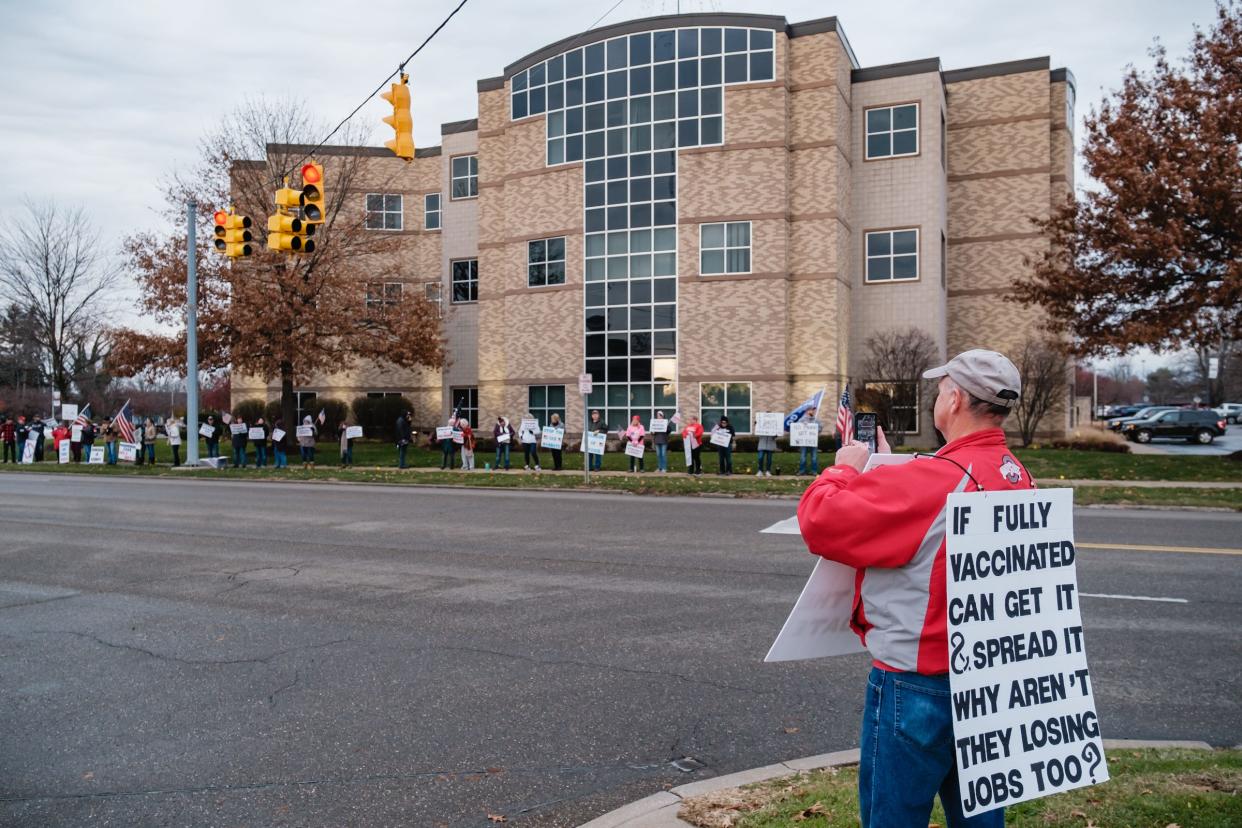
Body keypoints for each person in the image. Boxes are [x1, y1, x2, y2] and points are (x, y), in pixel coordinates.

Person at [797, 350, 1031, 828]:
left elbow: (820, 521)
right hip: (988, 681)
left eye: (942, 389)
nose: (938, 398)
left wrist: (844, 468)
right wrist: (884, 466)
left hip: (917, 682)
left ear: (956, 398)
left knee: (894, 818)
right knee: (980, 817)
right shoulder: (1017, 475)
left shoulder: (934, 480)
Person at [797, 407, 823, 476]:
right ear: (807, 411)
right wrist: (802, 425)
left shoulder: (816, 420)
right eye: (811, 410)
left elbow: (820, 428)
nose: (812, 411)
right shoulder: (802, 420)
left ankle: (814, 471)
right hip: (804, 442)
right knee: (803, 457)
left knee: (814, 457)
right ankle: (802, 471)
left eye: (813, 410)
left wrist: (815, 428)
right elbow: (796, 428)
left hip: (813, 442)